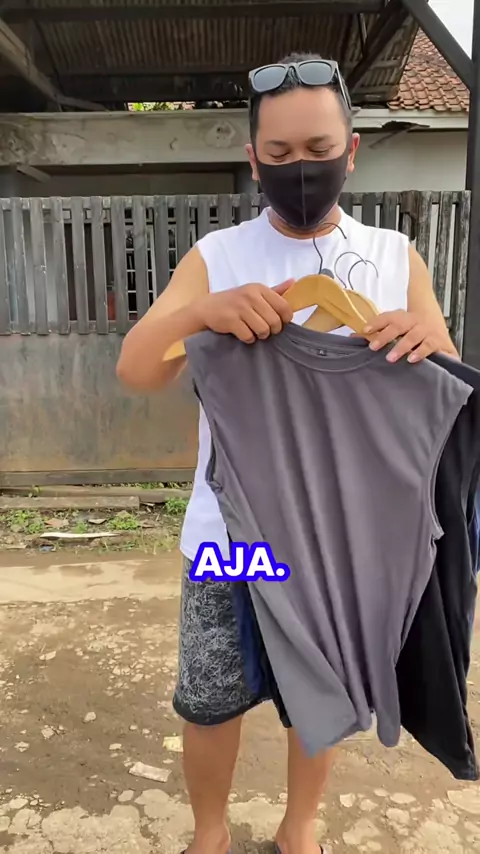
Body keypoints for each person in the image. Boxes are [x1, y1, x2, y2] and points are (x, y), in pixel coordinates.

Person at [116, 53, 458, 854]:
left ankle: (300, 826)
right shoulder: (219, 258)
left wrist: (425, 338)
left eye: (318, 150)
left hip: (342, 538)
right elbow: (136, 368)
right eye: (278, 154)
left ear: (352, 151)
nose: (299, 168)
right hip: (233, 539)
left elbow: (445, 379)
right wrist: (199, 313)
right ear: (252, 159)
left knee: (323, 690)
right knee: (211, 695)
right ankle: (210, 833)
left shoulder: (394, 258)